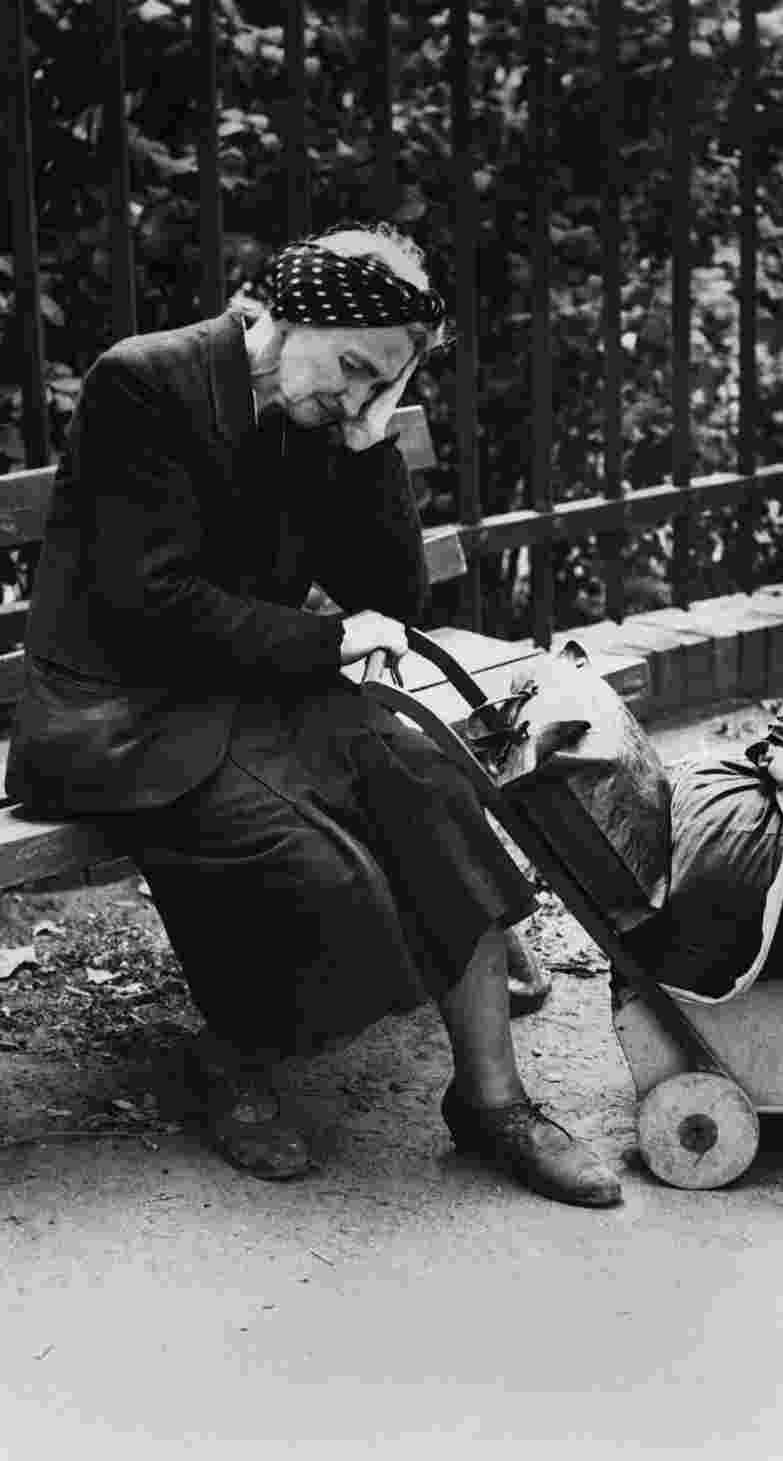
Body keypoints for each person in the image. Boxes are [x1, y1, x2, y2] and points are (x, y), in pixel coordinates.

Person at [6, 223, 620, 1208]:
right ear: (284, 315)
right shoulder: (143, 384)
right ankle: (229, 1056)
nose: (356, 397)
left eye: (382, 386)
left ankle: (492, 1102)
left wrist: (368, 445)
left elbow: (392, 593)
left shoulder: (322, 417)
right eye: (351, 369)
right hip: (119, 710)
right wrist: (323, 643)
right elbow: (145, 603)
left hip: (246, 685)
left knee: (427, 786)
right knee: (313, 871)